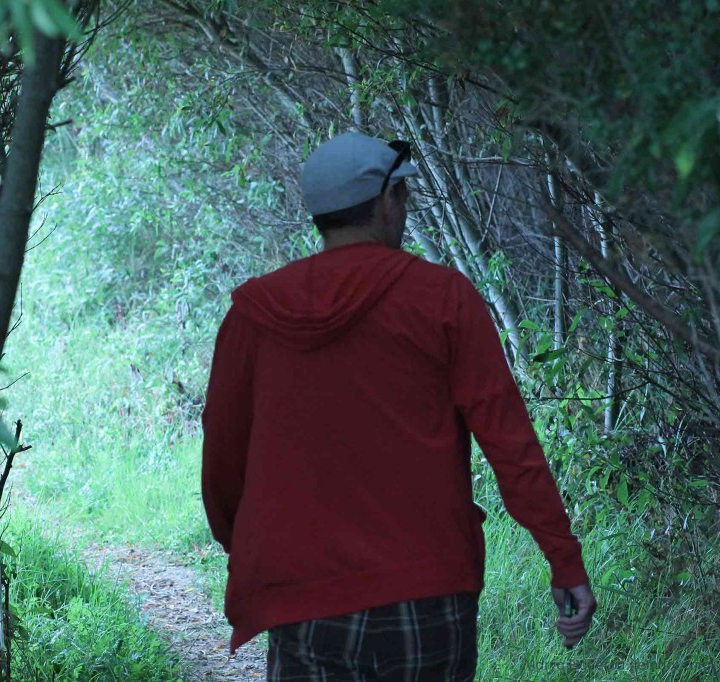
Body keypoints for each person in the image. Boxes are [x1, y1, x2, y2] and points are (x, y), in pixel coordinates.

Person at [200, 131, 596, 681]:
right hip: (427, 595)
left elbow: (222, 450)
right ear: (387, 203)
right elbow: (511, 445)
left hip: (303, 598)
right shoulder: (442, 299)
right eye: (403, 198)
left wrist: (245, 546)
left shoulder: (254, 313)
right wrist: (563, 558)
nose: (404, 210)